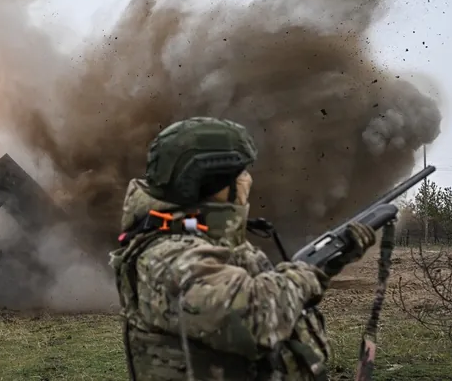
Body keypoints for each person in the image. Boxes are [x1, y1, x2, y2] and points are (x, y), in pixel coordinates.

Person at [109, 117, 377, 381]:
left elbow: (267, 290)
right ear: (216, 185)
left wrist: (326, 263)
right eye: (241, 173)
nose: (248, 180)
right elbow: (253, 316)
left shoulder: (203, 239)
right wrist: (306, 274)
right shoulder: (167, 256)